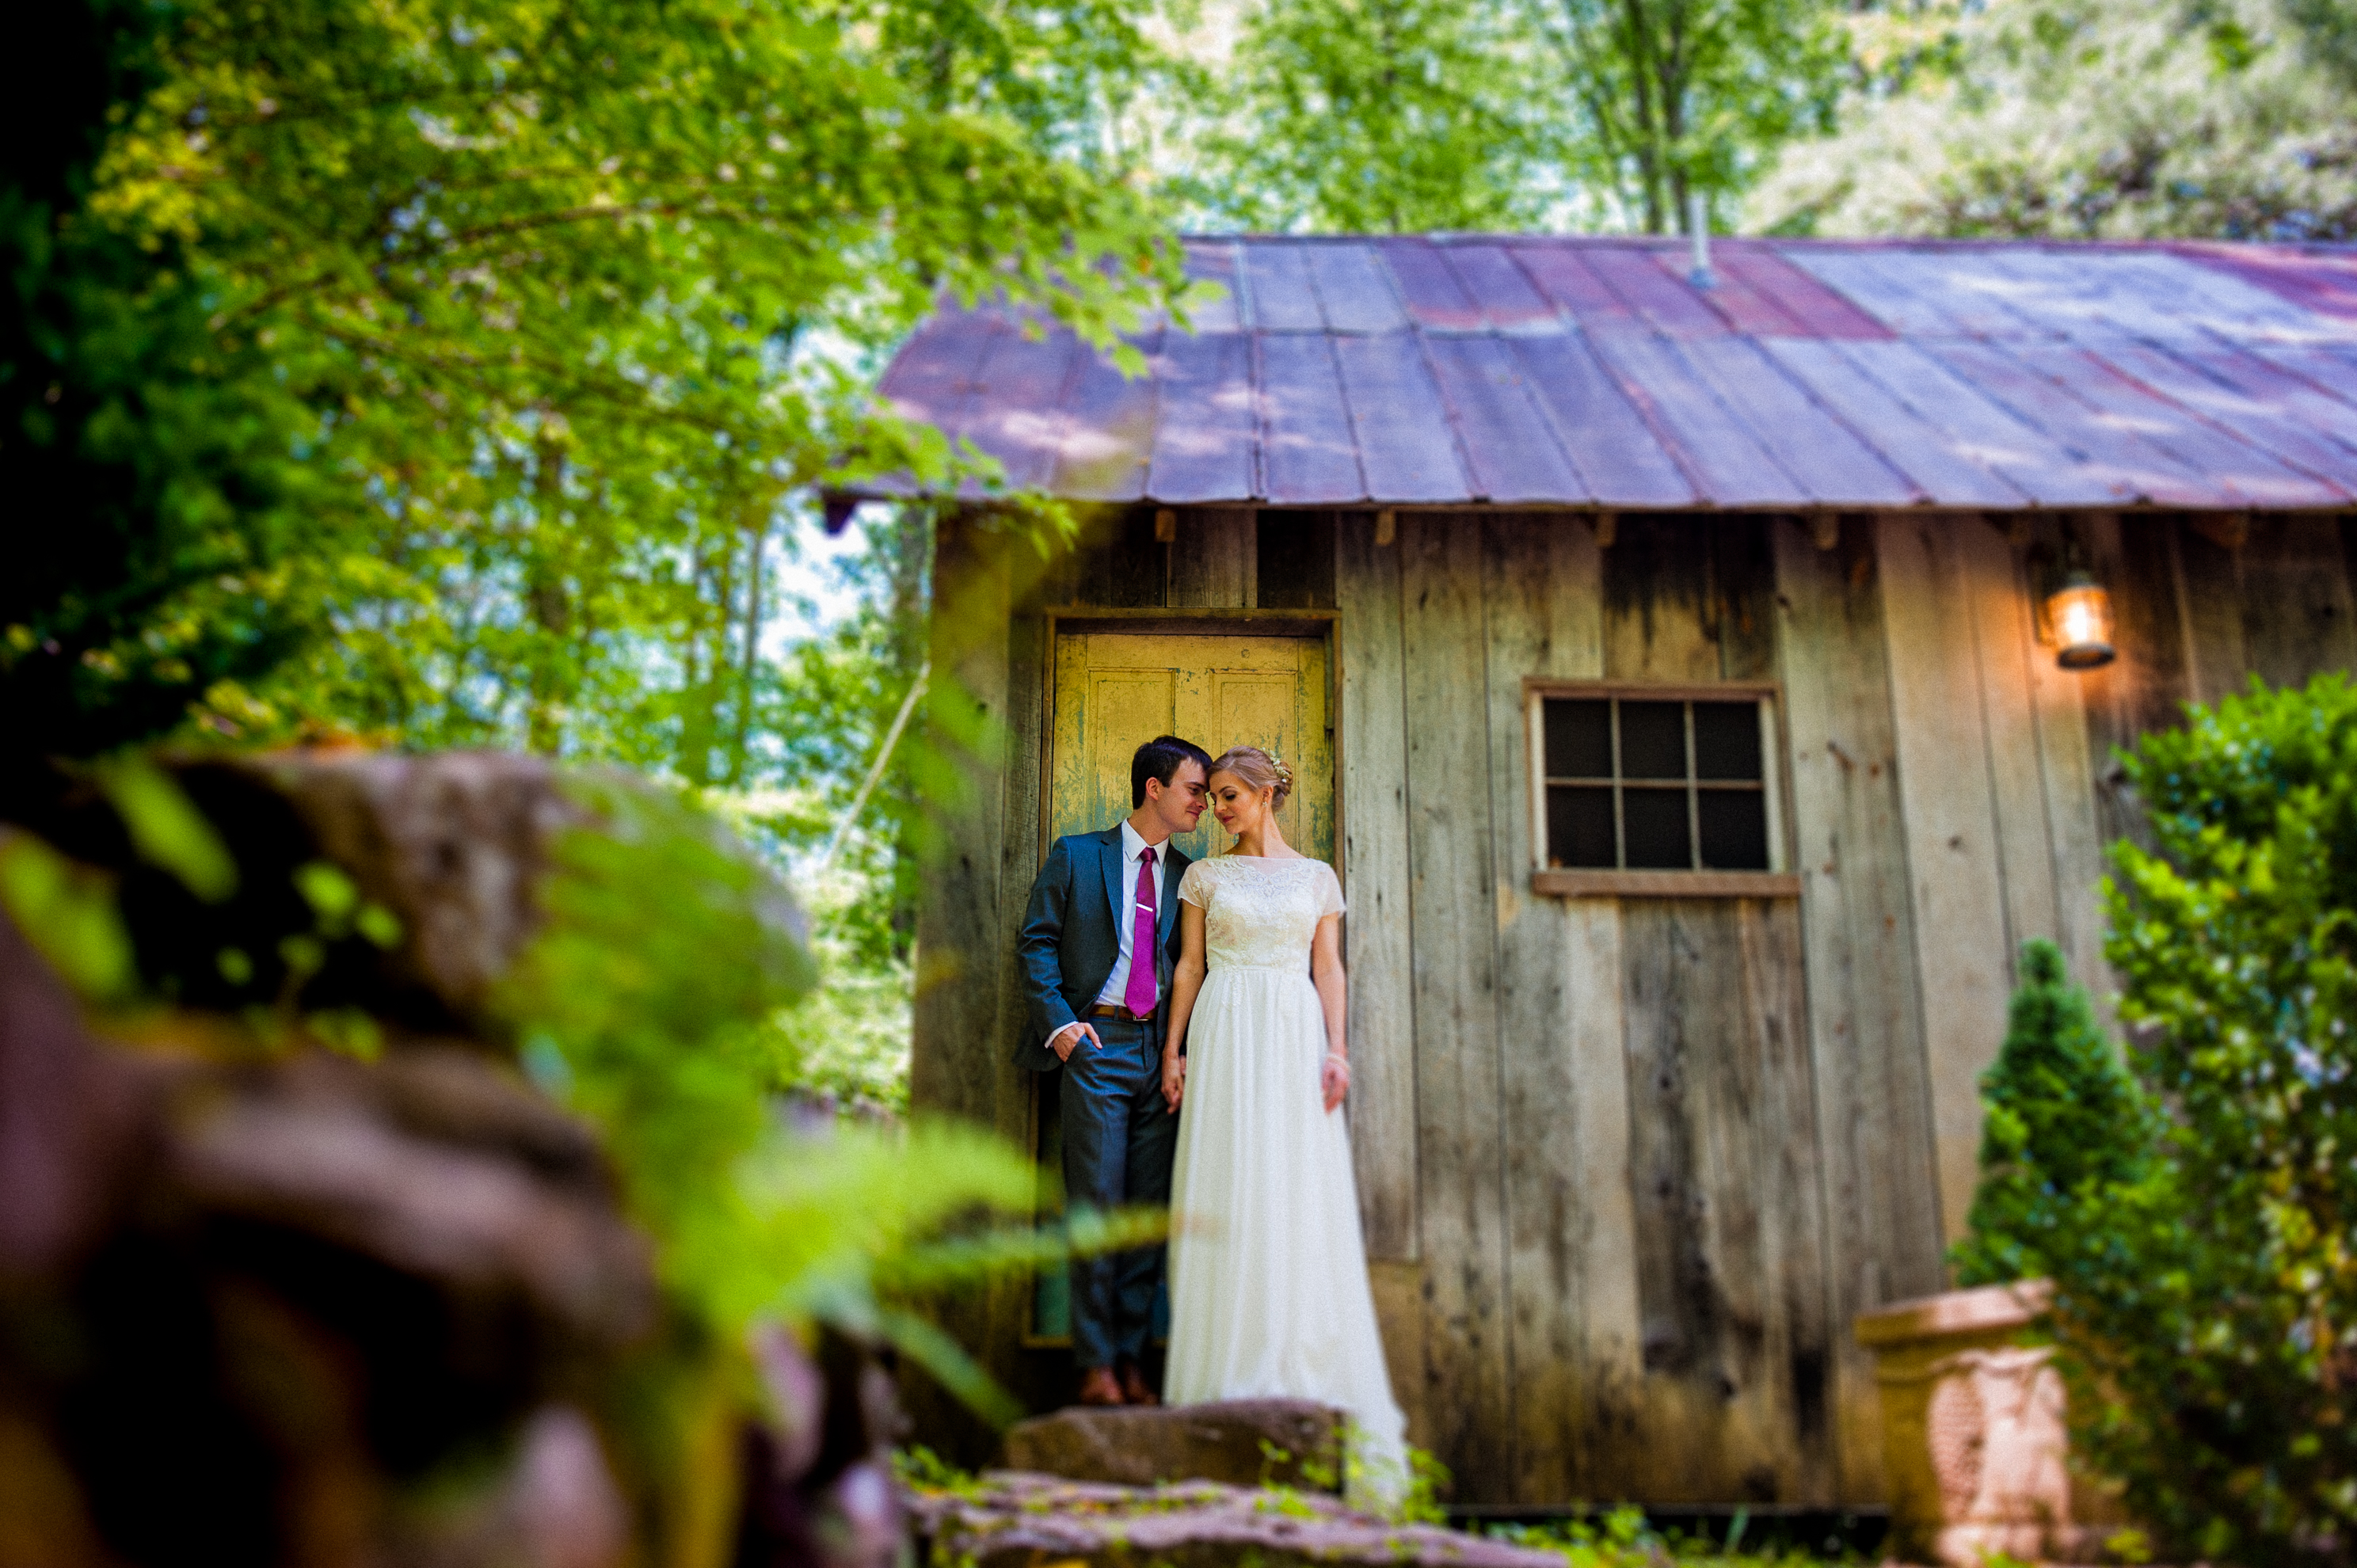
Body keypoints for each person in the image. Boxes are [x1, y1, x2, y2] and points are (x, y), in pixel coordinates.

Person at [1159, 744, 1408, 1504]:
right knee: (1229, 1181)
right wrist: (1173, 1049)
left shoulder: (1318, 878)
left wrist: (1337, 1049)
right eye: (1215, 797)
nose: (1219, 809)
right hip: (1226, 1026)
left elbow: (1328, 968)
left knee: (1294, 1186)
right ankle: (1220, 1373)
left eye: (1231, 795)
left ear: (1267, 795)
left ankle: (1297, 1358)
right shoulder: (1204, 876)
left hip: (1294, 1031)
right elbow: (1190, 967)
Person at [1017, 734, 1212, 1407]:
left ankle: (1131, 1360)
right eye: (1194, 789)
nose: (1203, 803)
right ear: (1154, 788)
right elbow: (1036, 941)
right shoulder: (1076, 855)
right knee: (1096, 1210)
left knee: (1144, 1215)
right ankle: (1095, 1364)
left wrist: (1180, 1052)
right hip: (1096, 1048)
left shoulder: (1191, 876)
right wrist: (1063, 1030)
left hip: (1161, 1056)